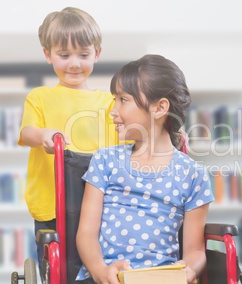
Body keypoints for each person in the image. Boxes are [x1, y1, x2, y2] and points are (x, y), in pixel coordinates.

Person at [76, 54, 215, 284]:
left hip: (161, 278)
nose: (113, 110)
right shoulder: (105, 160)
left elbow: (195, 251)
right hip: (107, 276)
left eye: (123, 100)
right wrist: (101, 271)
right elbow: (86, 234)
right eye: (114, 99)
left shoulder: (193, 175)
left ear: (160, 107)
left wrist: (189, 269)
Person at [17, 7, 117, 281]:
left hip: (100, 205)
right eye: (64, 55)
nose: (74, 63)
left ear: (97, 53)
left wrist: (166, 135)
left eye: (83, 55)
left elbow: (131, 134)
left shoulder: (109, 102)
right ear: (48, 55)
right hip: (52, 202)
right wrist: (42, 135)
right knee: (59, 267)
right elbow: (27, 132)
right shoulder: (40, 97)